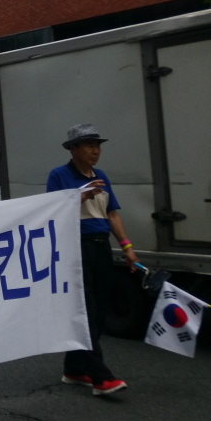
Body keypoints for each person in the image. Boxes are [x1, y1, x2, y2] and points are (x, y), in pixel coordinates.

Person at [47, 124, 135, 396]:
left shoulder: (101, 177)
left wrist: (126, 246)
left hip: (101, 246)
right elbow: (53, 212)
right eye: (89, 145)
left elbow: (112, 214)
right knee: (86, 309)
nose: (95, 151)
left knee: (99, 309)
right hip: (76, 246)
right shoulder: (59, 176)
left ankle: (74, 368)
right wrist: (82, 195)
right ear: (73, 149)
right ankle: (101, 377)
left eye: (97, 146)